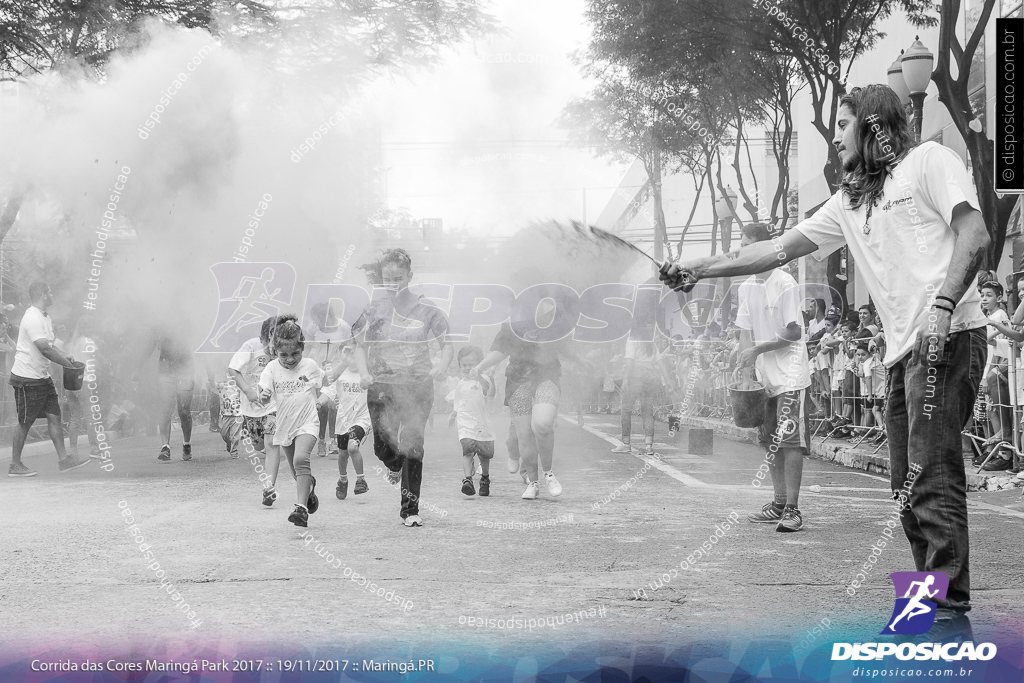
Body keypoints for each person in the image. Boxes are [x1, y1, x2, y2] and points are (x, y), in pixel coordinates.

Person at [662, 84, 989, 631]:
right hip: (903, 351)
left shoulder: (930, 162)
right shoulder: (849, 203)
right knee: (905, 488)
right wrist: (698, 266)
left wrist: (944, 304)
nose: (836, 139)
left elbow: (974, 233)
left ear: (874, 124)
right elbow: (769, 250)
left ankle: (947, 613)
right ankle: (930, 600)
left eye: (843, 124)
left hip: (948, 334)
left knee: (931, 475)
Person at [352, 249, 452, 527]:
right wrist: (362, 372)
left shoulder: (428, 309)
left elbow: (447, 345)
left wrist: (442, 365)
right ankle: (393, 464)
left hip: (418, 385)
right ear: (381, 278)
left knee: (413, 446)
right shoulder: (373, 310)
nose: (393, 283)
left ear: (409, 275)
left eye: (399, 277)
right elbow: (358, 346)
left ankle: (410, 510)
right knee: (383, 449)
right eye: (388, 278)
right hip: (381, 385)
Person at [725, 222, 813, 532]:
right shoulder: (746, 286)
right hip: (765, 380)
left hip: (790, 376)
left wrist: (758, 349)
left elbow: (794, 331)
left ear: (764, 247)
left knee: (789, 442)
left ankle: (793, 509)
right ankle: (778, 503)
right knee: (770, 441)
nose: (742, 249)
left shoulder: (784, 282)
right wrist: (747, 364)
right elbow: (745, 332)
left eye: (747, 244)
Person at [472, 288, 578, 501]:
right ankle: (533, 482)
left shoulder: (553, 319)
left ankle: (548, 474)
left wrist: (582, 361)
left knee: (542, 424)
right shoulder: (511, 324)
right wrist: (481, 366)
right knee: (524, 434)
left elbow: (565, 346)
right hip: (518, 379)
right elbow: (500, 351)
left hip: (546, 376)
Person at [7, 282, 88, 477]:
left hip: (42, 377)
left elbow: (50, 345)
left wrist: (65, 355)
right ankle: (15, 465)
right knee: (25, 421)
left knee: (55, 416)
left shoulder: (45, 317)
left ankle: (64, 460)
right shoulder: (32, 317)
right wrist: (66, 364)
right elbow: (44, 348)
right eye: (50, 291)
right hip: (27, 378)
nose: (52, 294)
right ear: (43, 294)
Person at [257, 316, 324, 527]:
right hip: (285, 426)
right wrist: (265, 396)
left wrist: (324, 396)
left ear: (302, 348)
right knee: (298, 473)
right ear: (275, 351)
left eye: (295, 353)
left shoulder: (310, 366)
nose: (289, 359)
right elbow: (263, 391)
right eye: (283, 354)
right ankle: (309, 491)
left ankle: (301, 509)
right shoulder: (271, 369)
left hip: (308, 423)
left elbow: (325, 380)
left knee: (300, 460)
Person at [228, 317, 280, 504]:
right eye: (271, 338)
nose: (274, 345)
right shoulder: (251, 346)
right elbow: (233, 369)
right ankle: (267, 453)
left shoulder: (283, 351)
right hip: (250, 407)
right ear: (264, 337)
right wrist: (248, 391)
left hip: (274, 405)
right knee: (258, 445)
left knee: (271, 443)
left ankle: (269, 487)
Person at [322, 342, 371, 499]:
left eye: (356, 355)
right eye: (349, 355)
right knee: (343, 453)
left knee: (352, 447)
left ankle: (361, 480)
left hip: (362, 418)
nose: (353, 359)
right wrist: (317, 403)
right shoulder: (339, 374)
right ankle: (343, 480)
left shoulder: (367, 375)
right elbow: (327, 392)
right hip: (343, 420)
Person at [447, 346, 496, 497]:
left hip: (483, 425)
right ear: (460, 365)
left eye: (472, 364)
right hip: (465, 424)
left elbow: (489, 391)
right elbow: (459, 402)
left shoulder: (483, 380)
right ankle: (467, 480)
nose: (468, 368)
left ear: (480, 364)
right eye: (464, 365)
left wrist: (479, 376)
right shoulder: (460, 383)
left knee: (484, 455)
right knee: (467, 451)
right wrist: (453, 414)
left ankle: (485, 479)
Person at [143, 324, 196, 462]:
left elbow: (195, 339)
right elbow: (150, 345)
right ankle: (165, 447)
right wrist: (139, 366)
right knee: (166, 407)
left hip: (185, 368)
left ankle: (186, 444)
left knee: (184, 410)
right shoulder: (161, 319)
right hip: (165, 369)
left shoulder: (185, 318)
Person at [613, 336, 669, 456]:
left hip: (636, 377)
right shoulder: (651, 343)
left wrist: (626, 378)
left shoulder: (633, 340)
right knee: (647, 411)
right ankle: (649, 446)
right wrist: (668, 381)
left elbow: (630, 361)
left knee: (626, 409)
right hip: (650, 378)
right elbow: (660, 363)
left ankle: (626, 443)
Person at [979, 280, 1013, 470]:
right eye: (982, 295)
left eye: (988, 295)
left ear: (1000, 298)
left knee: (997, 410)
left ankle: (1004, 453)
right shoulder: (991, 315)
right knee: (991, 411)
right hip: (989, 369)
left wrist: (988, 375)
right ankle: (999, 451)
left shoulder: (999, 315)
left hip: (995, 369)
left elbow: (999, 349)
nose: (984, 299)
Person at [64, 317, 102, 459]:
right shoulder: (88, 341)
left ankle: (73, 451)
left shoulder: (72, 343)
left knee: (74, 418)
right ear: (84, 328)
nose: (91, 330)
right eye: (90, 327)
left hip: (71, 383)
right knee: (90, 417)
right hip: (85, 381)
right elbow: (98, 359)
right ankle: (94, 448)